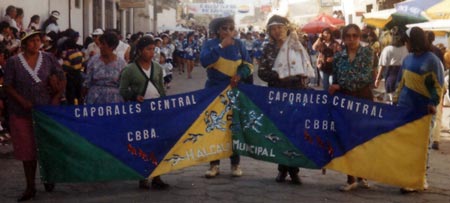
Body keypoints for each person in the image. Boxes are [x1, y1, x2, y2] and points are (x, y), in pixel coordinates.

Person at [4, 29, 66, 201]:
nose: (36, 43)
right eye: (31, 41)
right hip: (21, 113)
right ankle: (30, 186)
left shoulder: (48, 58)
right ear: (24, 44)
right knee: (27, 151)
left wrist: (55, 97)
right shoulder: (13, 62)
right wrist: (22, 101)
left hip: (46, 113)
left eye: (38, 40)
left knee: (47, 146)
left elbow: (62, 77)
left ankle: (49, 176)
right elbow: (8, 85)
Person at [258, 15, 314, 184]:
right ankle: (282, 169)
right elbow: (262, 72)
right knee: (280, 132)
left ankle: (295, 170)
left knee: (296, 131)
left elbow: (307, 68)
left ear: (286, 28)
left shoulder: (297, 45)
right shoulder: (267, 48)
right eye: (273, 28)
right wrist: (278, 76)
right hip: (277, 95)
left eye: (280, 27)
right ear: (269, 31)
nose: (277, 31)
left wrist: (301, 75)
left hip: (296, 94)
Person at [200, 16, 253, 178]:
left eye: (231, 28)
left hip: (234, 92)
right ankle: (214, 164)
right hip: (214, 92)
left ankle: (235, 164)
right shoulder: (209, 45)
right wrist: (221, 46)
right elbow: (204, 62)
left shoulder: (240, 44)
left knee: (234, 128)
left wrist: (240, 74)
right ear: (217, 30)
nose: (229, 31)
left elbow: (249, 65)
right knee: (215, 127)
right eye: (224, 29)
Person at [393, 27, 444, 193]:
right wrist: (395, 99)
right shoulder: (407, 59)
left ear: (412, 41)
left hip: (423, 110)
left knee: (422, 146)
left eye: (406, 42)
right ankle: (408, 176)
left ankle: (420, 179)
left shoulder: (432, 61)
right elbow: (401, 81)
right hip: (405, 108)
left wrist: (433, 102)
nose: (405, 45)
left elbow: (439, 85)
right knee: (406, 144)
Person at [119, 36, 169, 190]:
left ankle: (157, 176)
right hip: (139, 111)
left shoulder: (158, 68)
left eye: (153, 49)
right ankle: (143, 176)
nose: (152, 52)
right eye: (148, 49)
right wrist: (134, 96)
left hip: (156, 110)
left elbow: (161, 88)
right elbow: (122, 90)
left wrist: (165, 105)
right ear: (140, 51)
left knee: (157, 142)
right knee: (142, 143)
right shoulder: (129, 69)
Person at [328, 24, 373, 192]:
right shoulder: (339, 57)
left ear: (359, 37)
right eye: (348, 36)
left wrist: (340, 86)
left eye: (355, 35)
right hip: (345, 101)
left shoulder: (368, 53)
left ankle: (363, 175)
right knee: (346, 138)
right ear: (344, 38)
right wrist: (336, 87)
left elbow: (365, 77)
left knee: (363, 138)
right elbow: (336, 78)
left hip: (363, 99)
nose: (352, 39)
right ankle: (350, 177)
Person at [82, 31, 126, 104]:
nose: (100, 47)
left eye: (103, 44)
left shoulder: (122, 63)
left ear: (112, 46)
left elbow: (123, 85)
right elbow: (87, 82)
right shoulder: (93, 61)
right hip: (95, 99)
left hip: (114, 101)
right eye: (100, 44)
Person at [374, 26, 408, 104]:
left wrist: (377, 79)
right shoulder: (407, 48)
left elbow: (382, 66)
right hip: (404, 77)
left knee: (391, 102)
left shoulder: (388, 49)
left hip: (391, 77)